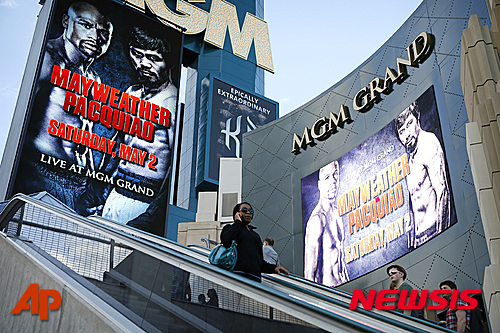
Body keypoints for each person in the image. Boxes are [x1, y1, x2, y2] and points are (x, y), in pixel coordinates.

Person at [17, 2, 113, 209]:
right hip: (41, 175)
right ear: (66, 22)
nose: (96, 38)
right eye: (86, 25)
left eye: (104, 33)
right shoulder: (49, 59)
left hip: (77, 183)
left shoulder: (93, 79)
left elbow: (85, 134)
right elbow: (20, 124)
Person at [101, 26, 177, 229]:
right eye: (137, 55)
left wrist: (154, 213)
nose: (143, 64)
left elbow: (175, 168)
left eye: (153, 58)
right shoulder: (131, 94)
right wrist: (98, 190)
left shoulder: (172, 103)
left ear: (167, 62)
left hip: (144, 201)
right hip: (115, 194)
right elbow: (117, 147)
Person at [395, 102, 451, 248]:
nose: (406, 134)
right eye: (401, 131)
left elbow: (442, 191)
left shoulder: (428, 143)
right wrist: (413, 243)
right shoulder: (409, 158)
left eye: (409, 124)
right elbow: (412, 205)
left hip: (434, 232)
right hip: (420, 239)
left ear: (417, 118)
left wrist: (442, 237)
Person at [304, 160, 349, 287]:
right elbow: (309, 275)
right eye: (327, 177)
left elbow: (341, 260)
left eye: (336, 174)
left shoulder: (336, 215)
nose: (333, 181)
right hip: (330, 291)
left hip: (344, 289)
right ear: (319, 184)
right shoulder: (317, 220)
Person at [220, 202, 289, 282]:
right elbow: (226, 240)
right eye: (244, 210)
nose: (248, 212)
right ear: (237, 213)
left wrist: (274, 268)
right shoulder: (230, 228)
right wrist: (237, 222)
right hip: (237, 277)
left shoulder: (256, 236)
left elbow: (259, 262)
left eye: (251, 211)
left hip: (255, 280)